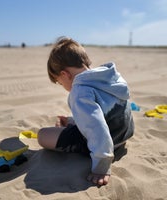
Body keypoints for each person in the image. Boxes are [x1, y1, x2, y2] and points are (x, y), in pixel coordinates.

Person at [37, 37, 134, 186]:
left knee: (42, 135)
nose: (62, 85)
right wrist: (70, 121)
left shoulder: (80, 90)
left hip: (107, 143)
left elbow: (97, 128)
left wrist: (101, 167)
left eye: (59, 82)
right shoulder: (109, 78)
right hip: (122, 135)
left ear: (65, 75)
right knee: (74, 125)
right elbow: (100, 113)